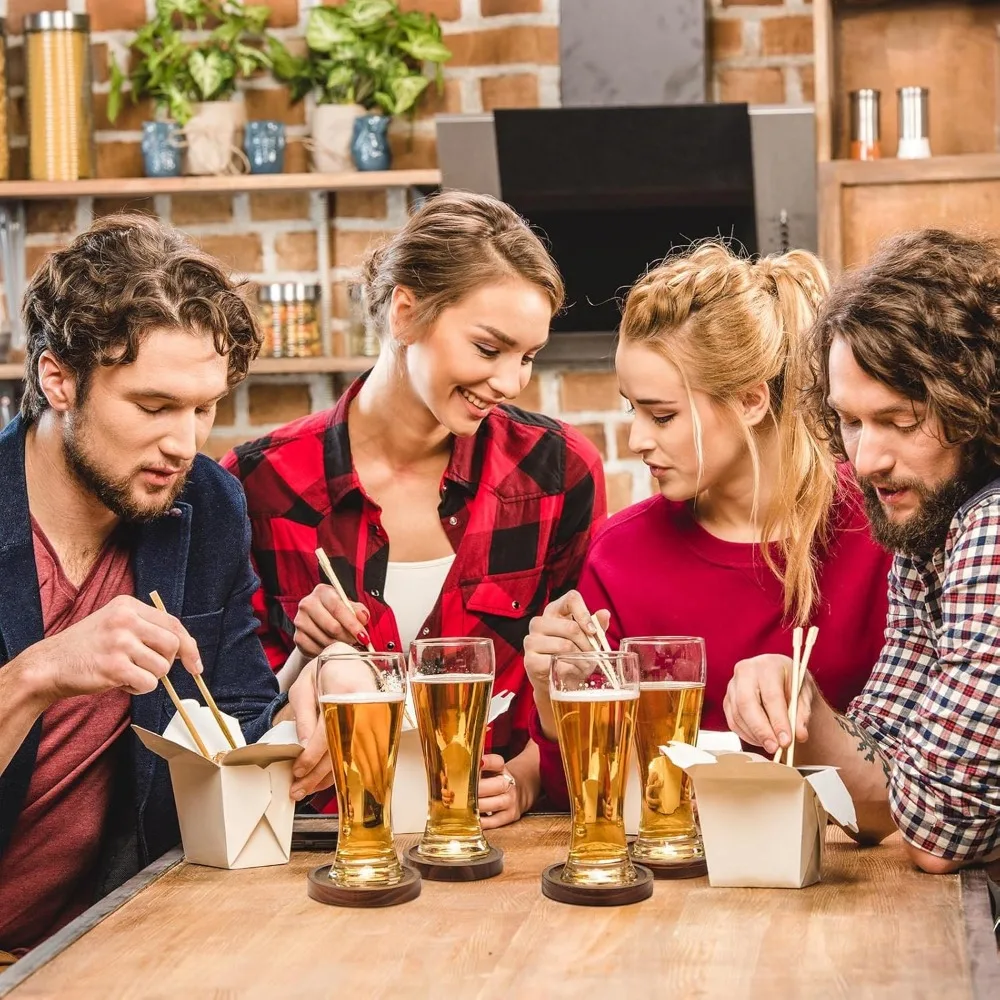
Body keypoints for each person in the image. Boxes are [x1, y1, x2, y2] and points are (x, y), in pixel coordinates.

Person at [222, 192, 606, 826]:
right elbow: (230, 714)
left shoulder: (558, 473)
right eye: (489, 349)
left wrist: (529, 780)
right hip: (324, 845)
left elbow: (582, 678)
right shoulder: (259, 480)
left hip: (492, 853)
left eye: (528, 357)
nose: (511, 382)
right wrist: (304, 660)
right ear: (405, 313)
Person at [0, 215, 310, 957]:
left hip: (108, 937)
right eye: (153, 406)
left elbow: (234, 719)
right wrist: (36, 674)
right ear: (59, 379)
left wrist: (310, 700)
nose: (186, 443)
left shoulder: (205, 503)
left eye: (204, 408)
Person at [522, 243, 891, 805]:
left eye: (662, 415)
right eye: (633, 409)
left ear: (749, 400)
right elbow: (582, 792)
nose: (637, 440)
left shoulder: (882, 532)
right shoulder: (620, 556)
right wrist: (553, 700)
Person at [725, 228, 1000, 874]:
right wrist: (807, 705)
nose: (868, 460)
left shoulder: (991, 527)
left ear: (979, 404)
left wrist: (898, 783)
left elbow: (933, 834)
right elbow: (877, 805)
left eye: (899, 422)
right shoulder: (928, 521)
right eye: (851, 421)